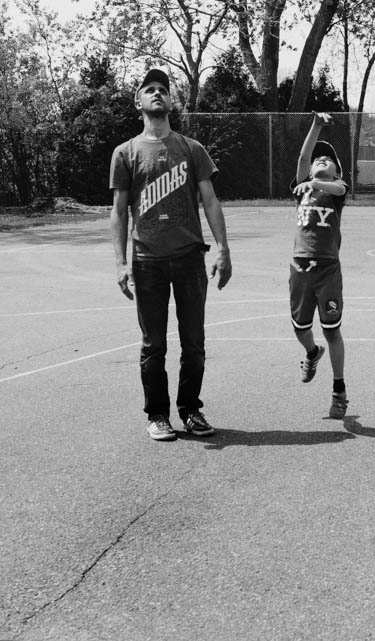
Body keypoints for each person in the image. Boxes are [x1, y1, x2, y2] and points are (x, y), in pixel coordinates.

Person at [110, 68, 232, 442]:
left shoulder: (191, 149)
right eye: (150, 90)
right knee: (154, 344)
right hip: (147, 261)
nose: (158, 94)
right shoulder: (125, 153)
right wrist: (120, 262)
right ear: (139, 102)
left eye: (163, 89)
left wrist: (224, 249)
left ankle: (190, 410)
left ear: (170, 101)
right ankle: (157, 414)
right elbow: (118, 210)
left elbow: (209, 201)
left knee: (194, 340)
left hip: (189, 258)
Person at [290, 112, 351, 420]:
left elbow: (339, 189)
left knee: (332, 331)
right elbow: (304, 155)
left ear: (337, 171)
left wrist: (317, 181)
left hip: (328, 269)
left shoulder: (337, 191)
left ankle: (339, 390)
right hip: (300, 267)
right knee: (300, 329)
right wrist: (316, 125)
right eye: (319, 159)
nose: (322, 158)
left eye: (329, 159)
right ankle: (312, 354)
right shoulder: (302, 187)